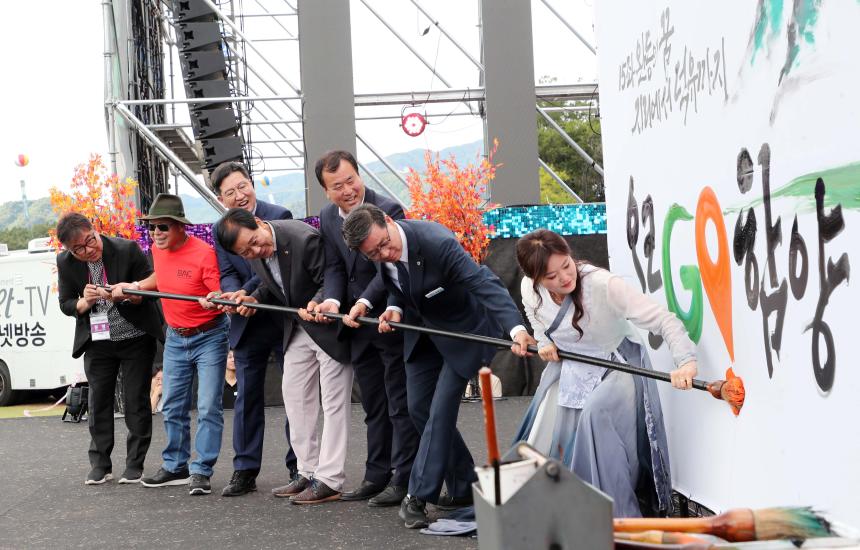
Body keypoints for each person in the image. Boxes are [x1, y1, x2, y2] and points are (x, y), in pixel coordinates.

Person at [341, 204, 535, 529]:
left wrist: (517, 330)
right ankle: (463, 487)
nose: (385, 253)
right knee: (417, 408)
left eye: (385, 244)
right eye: (374, 253)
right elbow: (395, 281)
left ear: (389, 221)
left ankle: (417, 495)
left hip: (465, 331)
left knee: (440, 411)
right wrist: (393, 308)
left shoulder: (436, 242)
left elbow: (484, 283)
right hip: (424, 332)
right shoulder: (380, 253)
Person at [512, 229, 698, 518]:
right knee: (545, 425)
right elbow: (532, 312)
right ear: (536, 279)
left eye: (566, 265)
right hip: (572, 365)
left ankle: (615, 516)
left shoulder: (602, 284)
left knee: (595, 416)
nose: (564, 278)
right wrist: (544, 341)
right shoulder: (529, 288)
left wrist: (685, 361)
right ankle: (567, 513)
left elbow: (663, 319)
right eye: (551, 276)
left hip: (616, 362)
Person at [215, 208, 353, 505]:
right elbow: (273, 281)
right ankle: (307, 470)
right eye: (246, 251)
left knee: (333, 402)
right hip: (298, 328)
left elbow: (330, 278)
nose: (255, 251)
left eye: (254, 241)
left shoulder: (302, 237)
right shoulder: (256, 250)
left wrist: (317, 302)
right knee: (294, 397)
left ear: (259, 222)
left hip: (329, 328)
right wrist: (255, 298)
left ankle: (329, 479)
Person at [308, 150, 419, 507]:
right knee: (373, 404)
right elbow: (335, 267)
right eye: (336, 186)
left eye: (351, 180)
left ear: (360, 175)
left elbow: (388, 270)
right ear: (326, 191)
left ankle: (405, 478)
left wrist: (364, 303)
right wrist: (333, 302)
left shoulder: (389, 209)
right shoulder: (326, 217)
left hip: (389, 319)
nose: (347, 190)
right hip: (355, 326)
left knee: (399, 404)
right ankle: (376, 474)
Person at [112, 194, 229, 496]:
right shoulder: (157, 250)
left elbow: (218, 294)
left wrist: (214, 299)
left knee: (207, 407)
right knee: (173, 406)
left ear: (179, 227)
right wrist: (134, 287)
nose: (156, 233)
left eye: (162, 227)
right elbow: (160, 277)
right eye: (152, 228)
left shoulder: (203, 253)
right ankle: (176, 466)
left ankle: (201, 471)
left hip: (210, 336)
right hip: (176, 337)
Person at [209, 161, 298, 497]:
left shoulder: (280, 214)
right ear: (221, 199)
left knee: (294, 395)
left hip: (281, 318)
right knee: (247, 396)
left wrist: (247, 292)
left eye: (242, 186)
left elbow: (273, 267)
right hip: (246, 322)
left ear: (252, 183)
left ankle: (298, 465)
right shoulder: (221, 229)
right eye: (229, 192)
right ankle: (244, 469)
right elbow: (226, 271)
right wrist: (233, 294)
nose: (239, 195)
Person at [56, 213, 163, 486]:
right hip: (98, 341)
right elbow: (66, 303)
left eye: (89, 241)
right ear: (69, 250)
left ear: (95, 230)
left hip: (135, 336)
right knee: (98, 401)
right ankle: (100, 464)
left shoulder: (125, 249)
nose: (87, 250)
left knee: (135, 401)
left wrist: (127, 291)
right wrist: (84, 302)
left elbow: (152, 286)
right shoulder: (66, 263)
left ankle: (134, 464)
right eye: (77, 249)